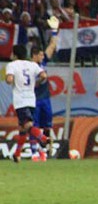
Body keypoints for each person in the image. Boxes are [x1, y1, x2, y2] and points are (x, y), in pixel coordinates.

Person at [5, 44, 49, 163]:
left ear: (14, 55)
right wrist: (36, 83)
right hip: (31, 99)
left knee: (28, 125)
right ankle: (17, 154)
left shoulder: (12, 65)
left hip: (20, 100)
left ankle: (43, 138)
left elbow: (9, 80)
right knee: (22, 129)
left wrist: (10, 80)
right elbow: (44, 75)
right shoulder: (33, 65)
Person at [29, 16, 60, 161]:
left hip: (45, 98)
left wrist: (54, 31)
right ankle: (34, 151)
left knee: (47, 126)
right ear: (34, 56)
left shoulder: (43, 62)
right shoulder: (28, 66)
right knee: (34, 125)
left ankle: (46, 149)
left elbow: (52, 46)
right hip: (33, 99)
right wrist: (39, 80)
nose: (43, 56)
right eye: (40, 55)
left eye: (42, 54)